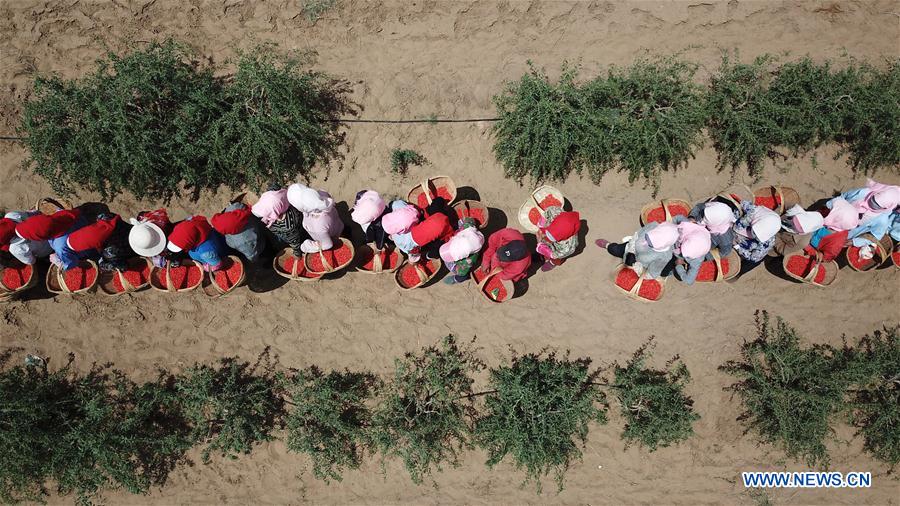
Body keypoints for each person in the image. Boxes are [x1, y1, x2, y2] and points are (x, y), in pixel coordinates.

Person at [597, 221, 679, 279]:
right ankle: (608, 245)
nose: (645, 242)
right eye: (647, 238)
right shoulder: (653, 226)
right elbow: (636, 236)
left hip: (642, 265)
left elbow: (652, 273)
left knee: (632, 276)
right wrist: (631, 251)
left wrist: (639, 271)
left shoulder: (665, 256)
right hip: (630, 249)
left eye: (650, 244)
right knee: (615, 250)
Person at [16, 208, 86, 270]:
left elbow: (71, 263)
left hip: (82, 247)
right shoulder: (59, 215)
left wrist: (58, 261)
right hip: (83, 224)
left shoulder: (60, 246)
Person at [287, 183, 344, 253]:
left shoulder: (318, 226)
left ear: (300, 207)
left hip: (333, 237)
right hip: (339, 225)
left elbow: (328, 245)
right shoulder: (321, 193)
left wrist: (309, 245)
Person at [66, 214, 133, 272]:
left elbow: (124, 267)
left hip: (133, 247)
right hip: (134, 231)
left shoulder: (109, 252)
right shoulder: (103, 217)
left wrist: (102, 264)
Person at [252, 189, 307, 257]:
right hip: (296, 223)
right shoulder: (282, 201)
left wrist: (297, 254)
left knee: (296, 238)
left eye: (267, 213)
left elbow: (294, 242)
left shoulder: (288, 227)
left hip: (295, 233)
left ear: (274, 212)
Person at [804, 197, 859, 262]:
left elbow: (827, 256)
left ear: (835, 218)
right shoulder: (826, 216)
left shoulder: (837, 241)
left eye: (831, 211)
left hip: (809, 249)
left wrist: (814, 252)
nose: (827, 210)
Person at [732, 202, 780, 267]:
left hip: (742, 245)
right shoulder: (755, 211)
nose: (754, 235)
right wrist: (734, 219)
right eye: (754, 232)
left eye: (757, 235)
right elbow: (741, 204)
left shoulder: (767, 242)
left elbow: (753, 258)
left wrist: (737, 247)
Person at [439, 218, 484, 284]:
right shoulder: (467, 228)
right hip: (473, 236)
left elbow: (462, 272)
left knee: (461, 274)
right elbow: (469, 220)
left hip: (474, 251)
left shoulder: (467, 261)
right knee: (460, 223)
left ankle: (457, 279)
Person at [672, 220, 711, 286]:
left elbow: (689, 281)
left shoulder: (697, 260)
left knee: (678, 276)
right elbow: (678, 219)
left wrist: (678, 266)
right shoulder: (688, 229)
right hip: (675, 246)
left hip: (679, 258)